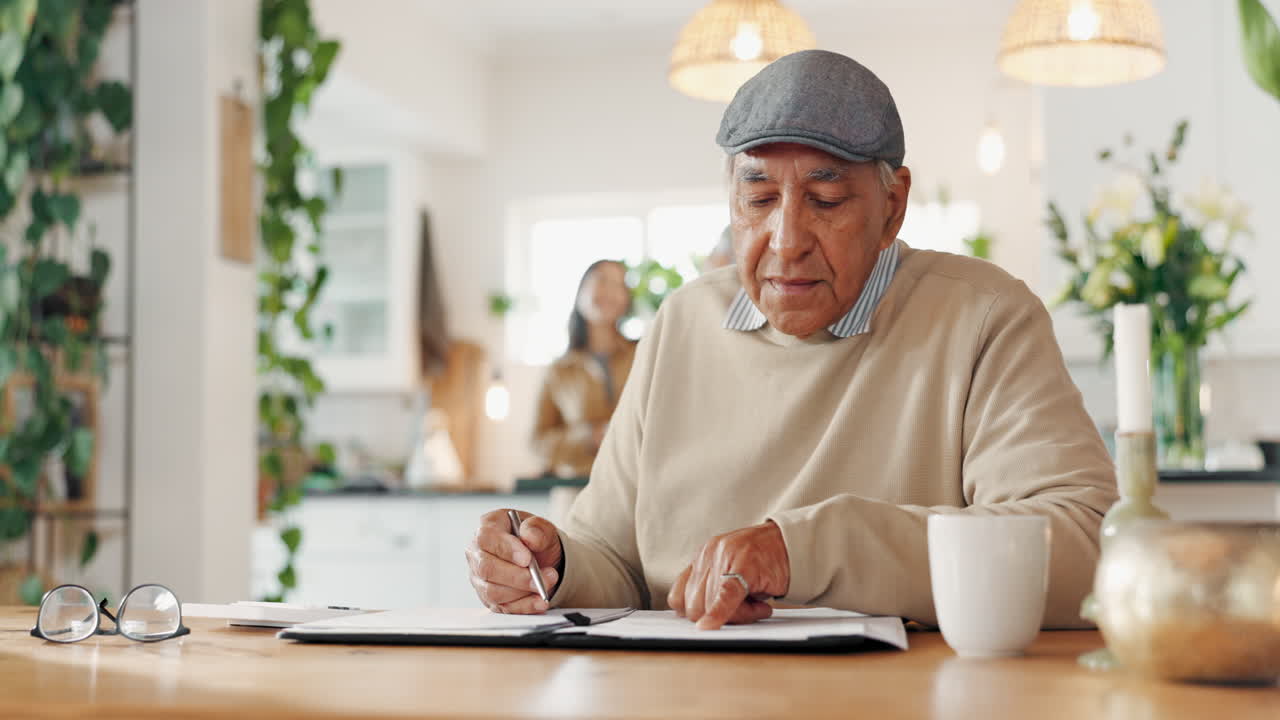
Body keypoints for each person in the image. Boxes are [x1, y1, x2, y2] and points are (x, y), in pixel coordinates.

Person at [467, 50, 1117, 630]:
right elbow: (610, 554)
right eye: (758, 199)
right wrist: (552, 567)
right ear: (730, 200)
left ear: (893, 206)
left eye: (826, 199)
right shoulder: (681, 323)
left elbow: (1084, 548)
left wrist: (800, 551)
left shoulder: (984, 316)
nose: (786, 240)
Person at [530, 259, 637, 478]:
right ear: (580, 293)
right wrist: (589, 437)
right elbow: (538, 441)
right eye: (601, 281)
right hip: (577, 492)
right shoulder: (559, 370)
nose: (609, 292)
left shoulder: (642, 355)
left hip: (635, 488)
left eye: (618, 285)